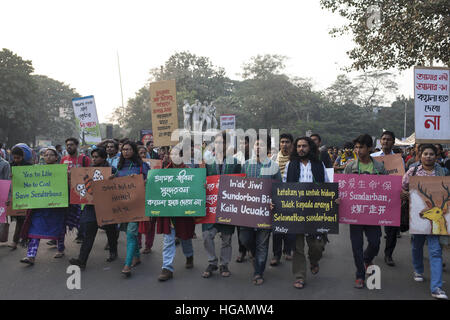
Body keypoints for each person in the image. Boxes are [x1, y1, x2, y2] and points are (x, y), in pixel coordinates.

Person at [282, 137, 332, 289]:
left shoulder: (318, 164)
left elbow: (327, 186)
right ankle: (299, 276)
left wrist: (333, 199)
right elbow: (284, 187)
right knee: (297, 247)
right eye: (298, 146)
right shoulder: (291, 165)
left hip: (315, 211)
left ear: (310, 147)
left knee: (316, 246)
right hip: (295, 211)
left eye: (304, 146)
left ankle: (314, 260)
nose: (301, 149)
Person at [401, 144, 448, 300]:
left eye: (431, 154)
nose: (428, 156)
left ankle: (437, 287)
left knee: (435, 250)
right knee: (417, 245)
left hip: (436, 217)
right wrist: (406, 194)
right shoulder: (412, 171)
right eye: (425, 154)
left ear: (436, 156)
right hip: (418, 217)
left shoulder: (443, 172)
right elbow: (402, 188)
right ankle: (418, 269)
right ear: (420, 156)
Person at [344, 134, 386, 289]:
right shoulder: (350, 166)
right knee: (356, 245)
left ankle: (367, 258)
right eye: (356, 147)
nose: (358, 150)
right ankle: (360, 275)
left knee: (375, 242)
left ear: (369, 148)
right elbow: (344, 187)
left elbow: (386, 188)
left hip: (373, 213)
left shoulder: (380, 167)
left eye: (361, 147)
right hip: (355, 213)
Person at [68, 148, 119, 269]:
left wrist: (113, 179)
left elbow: (119, 185)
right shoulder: (88, 170)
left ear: (103, 158)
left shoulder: (112, 170)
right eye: (93, 157)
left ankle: (113, 251)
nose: (94, 159)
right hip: (91, 207)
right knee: (89, 233)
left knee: (111, 231)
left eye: (96, 157)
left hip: (107, 206)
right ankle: (82, 260)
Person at [240, 134, 281, 285]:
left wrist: (274, 202)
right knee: (245, 239)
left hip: (265, 212)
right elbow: (237, 188)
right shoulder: (245, 165)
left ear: (268, 149)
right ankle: (253, 253)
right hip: (247, 211)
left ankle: (258, 272)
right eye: (256, 144)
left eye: (262, 145)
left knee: (262, 244)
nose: (258, 147)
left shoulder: (274, 167)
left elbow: (279, 189)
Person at [202, 131, 242, 279]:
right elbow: (202, 181)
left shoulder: (235, 163)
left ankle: (224, 264)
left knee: (226, 238)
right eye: (217, 142)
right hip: (211, 206)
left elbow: (240, 184)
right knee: (207, 235)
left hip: (227, 206)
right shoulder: (207, 163)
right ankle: (212, 261)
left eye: (222, 142)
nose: (220, 145)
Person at [19, 147, 66, 265]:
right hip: (40, 206)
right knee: (35, 229)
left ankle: (60, 248)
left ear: (56, 157)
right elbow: (26, 183)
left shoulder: (62, 170)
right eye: (46, 155)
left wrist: (68, 177)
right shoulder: (36, 170)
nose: (48, 157)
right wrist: (16, 179)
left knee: (58, 228)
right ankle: (31, 256)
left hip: (56, 207)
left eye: (51, 155)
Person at [157, 146, 196, 281]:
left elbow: (195, 190)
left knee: (185, 238)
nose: (174, 156)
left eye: (178, 154)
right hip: (169, 212)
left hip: (184, 212)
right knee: (168, 240)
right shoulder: (163, 172)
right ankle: (167, 268)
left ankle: (189, 255)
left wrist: (201, 186)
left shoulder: (190, 171)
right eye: (172, 154)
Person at [112, 141, 150, 277]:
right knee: (129, 231)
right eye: (123, 150)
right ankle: (137, 257)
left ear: (133, 150)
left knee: (131, 233)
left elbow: (150, 180)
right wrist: (112, 178)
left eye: (128, 149)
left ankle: (127, 265)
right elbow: (116, 183)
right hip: (123, 205)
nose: (125, 152)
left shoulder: (142, 166)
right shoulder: (119, 166)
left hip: (137, 204)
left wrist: (143, 181)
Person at [370, 131, 400, 267]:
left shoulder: (399, 159)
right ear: (380, 141)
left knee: (391, 230)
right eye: (383, 139)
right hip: (375, 197)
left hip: (392, 198)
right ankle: (372, 251)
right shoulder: (372, 157)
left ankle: (388, 254)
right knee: (373, 228)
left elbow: (402, 178)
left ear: (393, 142)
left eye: (388, 139)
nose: (385, 141)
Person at [270, 133, 296, 266]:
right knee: (277, 227)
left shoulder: (295, 159)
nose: (284, 144)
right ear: (279, 144)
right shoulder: (273, 158)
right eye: (282, 142)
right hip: (277, 195)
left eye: (287, 142)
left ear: (291, 144)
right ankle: (276, 254)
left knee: (290, 226)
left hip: (292, 195)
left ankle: (288, 250)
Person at [60, 137, 91, 245]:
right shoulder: (63, 160)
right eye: (67, 145)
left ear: (76, 146)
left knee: (81, 213)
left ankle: (81, 234)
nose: (69, 146)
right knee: (65, 214)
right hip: (66, 191)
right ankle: (59, 238)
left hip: (80, 191)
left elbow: (89, 174)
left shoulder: (84, 159)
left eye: (71, 145)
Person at [8, 146, 33, 250]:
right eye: (14, 157)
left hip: (27, 195)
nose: (16, 160)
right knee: (18, 218)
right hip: (15, 195)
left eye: (18, 157)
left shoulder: (29, 166)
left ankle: (16, 241)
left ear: (22, 157)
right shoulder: (10, 165)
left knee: (23, 219)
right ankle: (21, 239)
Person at [233, 135, 252, 263]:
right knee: (240, 225)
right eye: (240, 143)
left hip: (253, 195)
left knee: (252, 224)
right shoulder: (233, 159)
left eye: (244, 143)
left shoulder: (256, 158)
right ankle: (242, 250)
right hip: (238, 195)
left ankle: (251, 248)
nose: (242, 145)